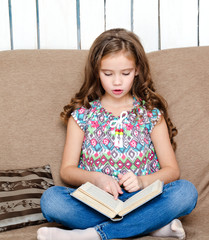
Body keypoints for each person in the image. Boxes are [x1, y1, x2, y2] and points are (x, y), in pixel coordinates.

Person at [37, 28, 198, 240]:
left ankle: (94, 234)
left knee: (186, 192)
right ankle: (152, 225)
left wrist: (141, 182)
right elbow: (67, 170)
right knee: (51, 200)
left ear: (137, 69)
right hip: (97, 203)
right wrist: (96, 179)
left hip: (142, 200)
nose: (117, 82)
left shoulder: (151, 115)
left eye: (125, 73)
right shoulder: (82, 116)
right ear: (96, 71)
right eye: (108, 74)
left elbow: (172, 170)